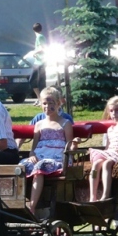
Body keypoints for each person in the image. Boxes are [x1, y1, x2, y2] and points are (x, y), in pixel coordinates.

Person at [18, 87, 73, 215]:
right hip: (40, 155)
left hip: (57, 158)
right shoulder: (39, 124)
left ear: (58, 103)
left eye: (51, 103)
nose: (47, 106)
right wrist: (32, 154)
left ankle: (32, 207)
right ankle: (18, 203)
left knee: (40, 168)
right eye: (44, 103)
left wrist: (73, 147)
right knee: (21, 167)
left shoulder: (65, 123)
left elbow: (69, 145)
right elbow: (34, 146)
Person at [88, 96, 118, 202]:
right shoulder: (110, 129)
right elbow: (107, 146)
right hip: (110, 152)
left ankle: (106, 194)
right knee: (96, 164)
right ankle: (93, 196)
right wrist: (105, 153)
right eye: (111, 111)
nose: (114, 114)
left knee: (107, 164)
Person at [29, 22, 48, 105]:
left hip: (42, 62)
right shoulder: (39, 37)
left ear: (33, 30)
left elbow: (43, 48)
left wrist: (35, 52)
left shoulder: (40, 37)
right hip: (37, 62)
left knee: (41, 82)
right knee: (32, 80)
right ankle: (39, 98)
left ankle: (43, 100)